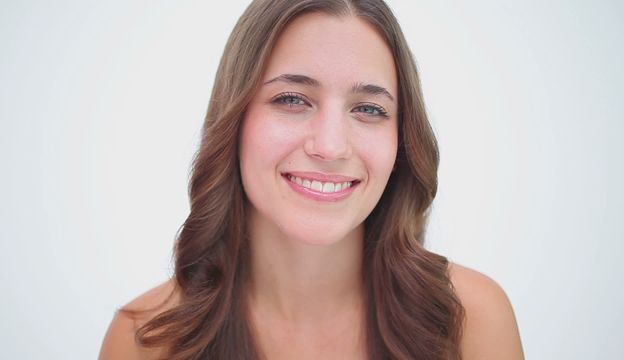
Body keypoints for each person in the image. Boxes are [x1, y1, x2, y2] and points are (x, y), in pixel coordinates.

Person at [99, 0, 524, 359]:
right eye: (292, 99)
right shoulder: (146, 340)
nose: (331, 146)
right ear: (236, 120)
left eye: (369, 109)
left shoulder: (471, 319)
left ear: (402, 140)